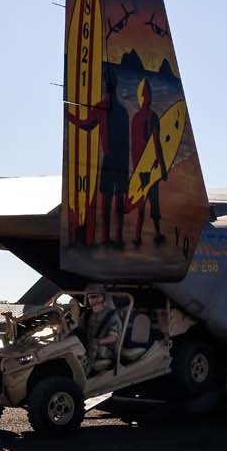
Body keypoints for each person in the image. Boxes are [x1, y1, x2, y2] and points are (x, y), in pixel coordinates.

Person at [65, 64, 132, 247]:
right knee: (115, 200)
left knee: (108, 199)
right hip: (119, 161)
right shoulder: (121, 111)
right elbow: (127, 144)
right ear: (116, 84)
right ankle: (115, 237)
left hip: (111, 160)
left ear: (105, 83)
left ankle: (108, 237)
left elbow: (86, 125)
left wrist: (69, 115)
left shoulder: (102, 108)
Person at [128, 79, 168, 249]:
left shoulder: (135, 118)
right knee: (153, 203)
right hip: (150, 168)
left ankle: (137, 237)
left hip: (139, 168)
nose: (149, 96)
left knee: (142, 204)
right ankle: (158, 234)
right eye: (148, 93)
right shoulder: (152, 117)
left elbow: (133, 145)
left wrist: (134, 169)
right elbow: (156, 144)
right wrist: (163, 167)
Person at [79, 286, 125, 373]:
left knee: (93, 346)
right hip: (86, 346)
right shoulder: (86, 314)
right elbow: (79, 330)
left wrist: (97, 342)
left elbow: (114, 337)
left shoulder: (111, 315)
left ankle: (85, 374)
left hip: (105, 349)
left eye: (94, 296)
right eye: (89, 297)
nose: (91, 299)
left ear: (101, 297)